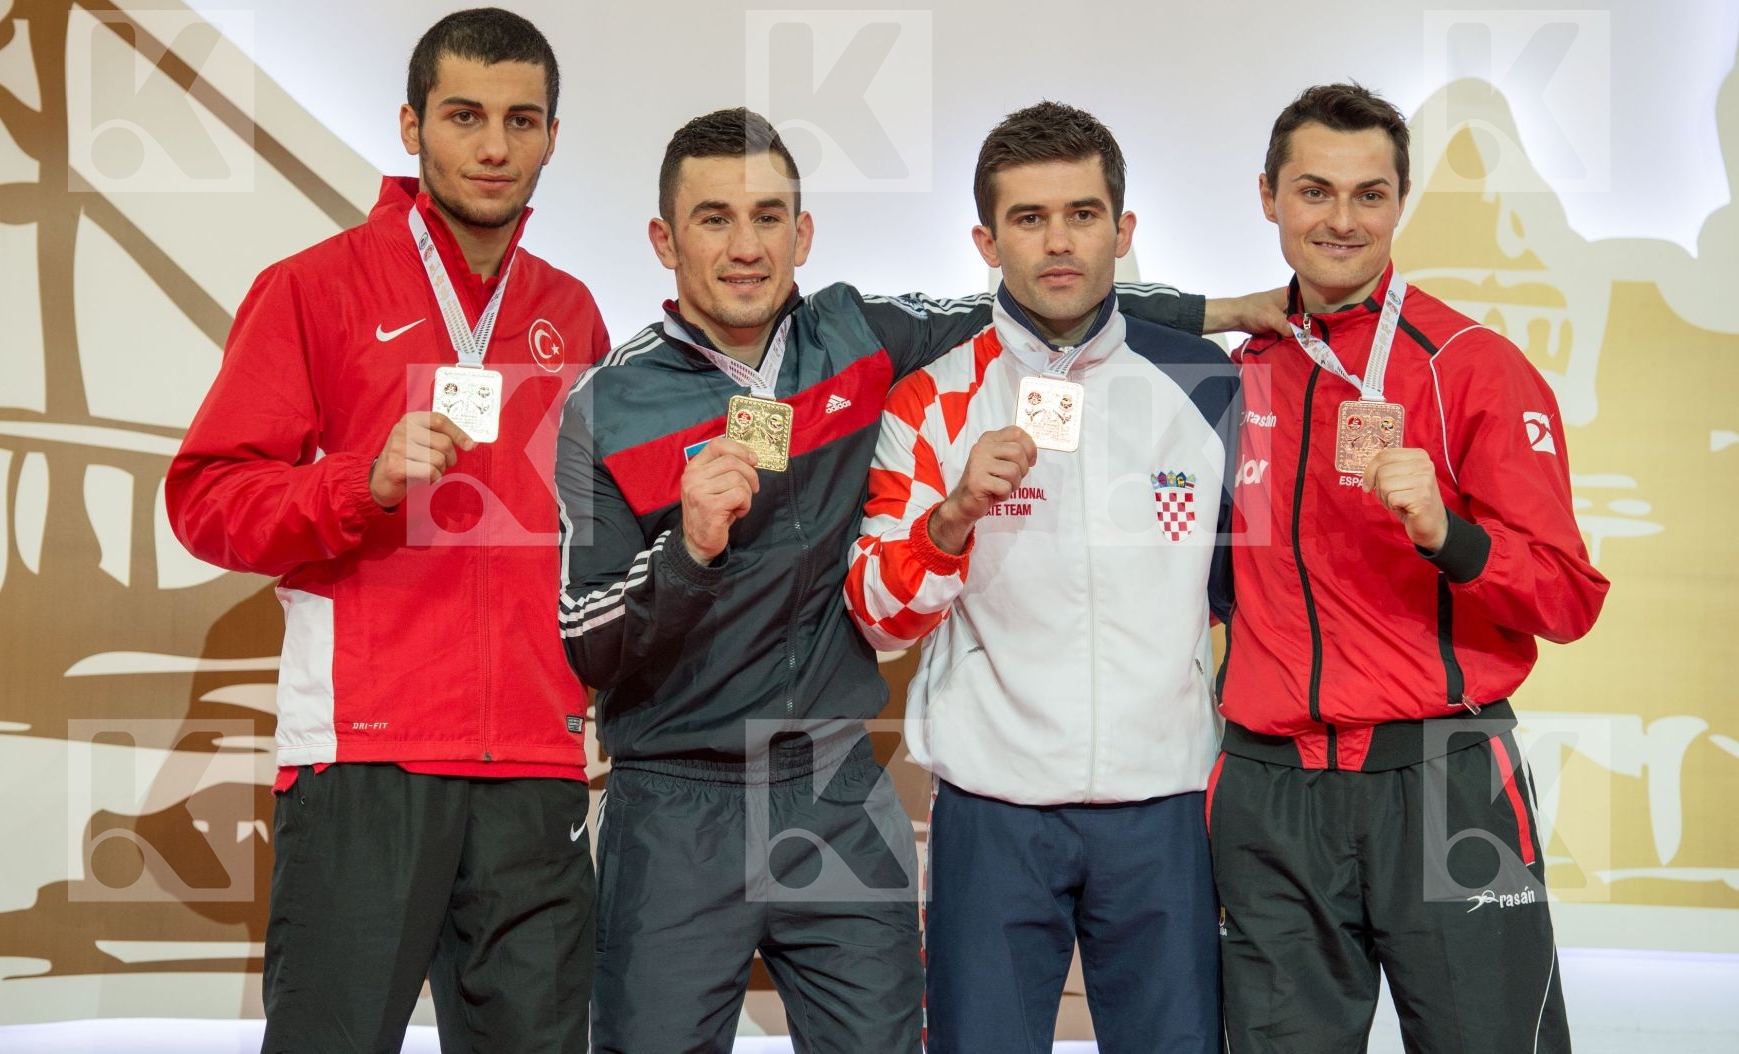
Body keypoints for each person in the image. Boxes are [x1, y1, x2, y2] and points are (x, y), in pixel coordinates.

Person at [554, 107, 1281, 1054]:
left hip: (833, 783)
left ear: (802, 233)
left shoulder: (854, 338)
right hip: (677, 798)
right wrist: (687, 552)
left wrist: (1217, 313)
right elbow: (587, 640)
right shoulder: (609, 401)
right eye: (714, 219)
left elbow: (1043, 297)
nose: (746, 247)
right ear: (663, 238)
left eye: (770, 217)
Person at [167, 8, 607, 1054]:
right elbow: (207, 501)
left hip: (536, 771)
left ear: (552, 134)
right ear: (411, 127)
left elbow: (590, 535)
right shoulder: (313, 289)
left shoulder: (574, 312)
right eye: (463, 116)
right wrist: (358, 481)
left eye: (520, 119)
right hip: (369, 755)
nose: (494, 146)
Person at [1208, 83, 1610, 1051]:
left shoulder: (1471, 364)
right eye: (1313, 191)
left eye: (1370, 194)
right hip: (1272, 793)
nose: (1342, 220)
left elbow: (1566, 596)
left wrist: (1449, 534)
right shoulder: (1231, 366)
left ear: (1401, 199)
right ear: (1267, 195)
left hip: (1441, 780)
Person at [842, 101, 1234, 1053]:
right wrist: (951, 518)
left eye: (1083, 214)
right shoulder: (931, 395)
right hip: (994, 808)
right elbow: (878, 614)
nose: (1058, 242)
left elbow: (1235, 589)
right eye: (1028, 219)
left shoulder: (1206, 382)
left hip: (1165, 803)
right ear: (987, 238)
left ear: (1123, 229)